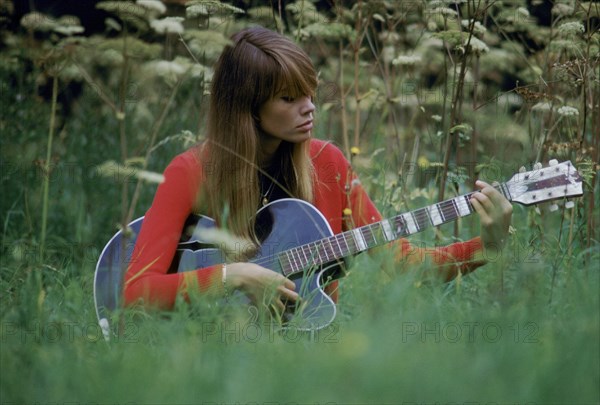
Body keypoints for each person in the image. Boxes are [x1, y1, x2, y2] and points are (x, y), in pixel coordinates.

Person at [123, 26, 513, 314]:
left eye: (310, 93)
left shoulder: (328, 164)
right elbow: (135, 291)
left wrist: (489, 247)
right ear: (247, 108)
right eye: (289, 98)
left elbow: (403, 264)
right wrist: (235, 276)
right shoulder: (190, 172)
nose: (309, 107)